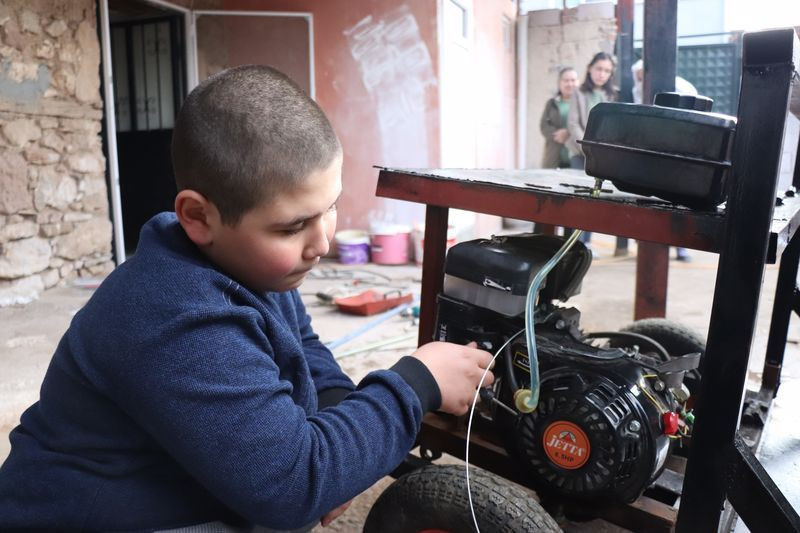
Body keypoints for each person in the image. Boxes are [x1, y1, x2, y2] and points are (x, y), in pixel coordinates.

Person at [0, 66, 494, 532]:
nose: (322, 243)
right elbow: (292, 487)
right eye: (292, 226)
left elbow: (304, 351)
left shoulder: (246, 264)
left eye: (330, 207)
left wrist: (344, 438)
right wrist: (415, 384)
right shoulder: (175, 316)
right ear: (198, 217)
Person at [632, 58, 695, 262]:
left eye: (644, 73)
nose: (641, 78)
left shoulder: (681, 87)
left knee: (678, 203)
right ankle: (645, 239)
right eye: (639, 75)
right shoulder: (638, 91)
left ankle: (681, 247)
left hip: (677, 153)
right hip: (651, 153)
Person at [566, 52, 617, 249]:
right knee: (577, 198)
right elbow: (573, 123)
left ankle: (585, 244)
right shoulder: (578, 92)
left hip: (601, 157)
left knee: (595, 198)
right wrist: (587, 148)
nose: (602, 74)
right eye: (599, 69)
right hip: (580, 153)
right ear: (590, 68)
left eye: (607, 71)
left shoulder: (612, 95)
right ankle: (572, 244)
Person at [540, 66, 578, 169]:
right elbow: (543, 126)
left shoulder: (582, 104)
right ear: (559, 83)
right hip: (554, 155)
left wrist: (569, 133)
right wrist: (557, 135)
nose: (570, 84)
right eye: (566, 80)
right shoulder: (552, 103)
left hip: (577, 157)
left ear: (577, 82)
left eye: (573, 80)